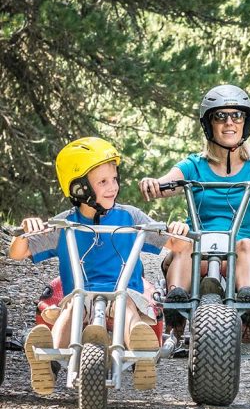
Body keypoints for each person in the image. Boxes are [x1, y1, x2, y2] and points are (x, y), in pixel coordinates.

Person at [9, 137, 189, 394]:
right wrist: (25, 232)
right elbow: (18, 253)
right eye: (103, 181)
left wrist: (179, 230)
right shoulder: (64, 224)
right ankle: (48, 364)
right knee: (71, 310)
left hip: (125, 294)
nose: (112, 187)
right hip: (79, 295)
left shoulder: (131, 217)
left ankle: (142, 351)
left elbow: (178, 245)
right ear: (80, 188)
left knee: (125, 307)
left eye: (114, 179)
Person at [138, 84, 250, 340]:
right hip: (199, 251)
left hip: (243, 253)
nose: (229, 123)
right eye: (220, 116)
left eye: (237, 115)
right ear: (208, 124)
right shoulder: (193, 165)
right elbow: (168, 182)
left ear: (245, 123)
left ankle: (247, 306)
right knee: (184, 244)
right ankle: (176, 307)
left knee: (245, 244)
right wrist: (154, 183)